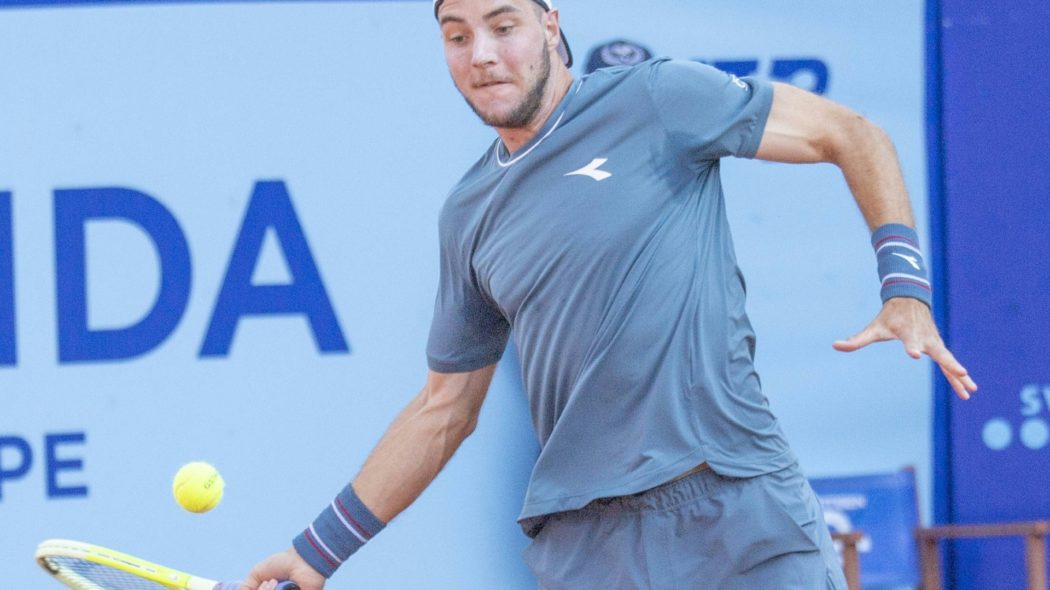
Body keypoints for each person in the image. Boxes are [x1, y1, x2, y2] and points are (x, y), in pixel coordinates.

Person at [241, 1, 978, 588]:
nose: (483, 55)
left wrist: (905, 287)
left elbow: (851, 134)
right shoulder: (468, 214)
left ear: (550, 26)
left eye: (503, 26)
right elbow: (442, 411)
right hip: (590, 545)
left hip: (735, 506)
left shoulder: (654, 99)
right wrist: (316, 552)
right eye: (457, 36)